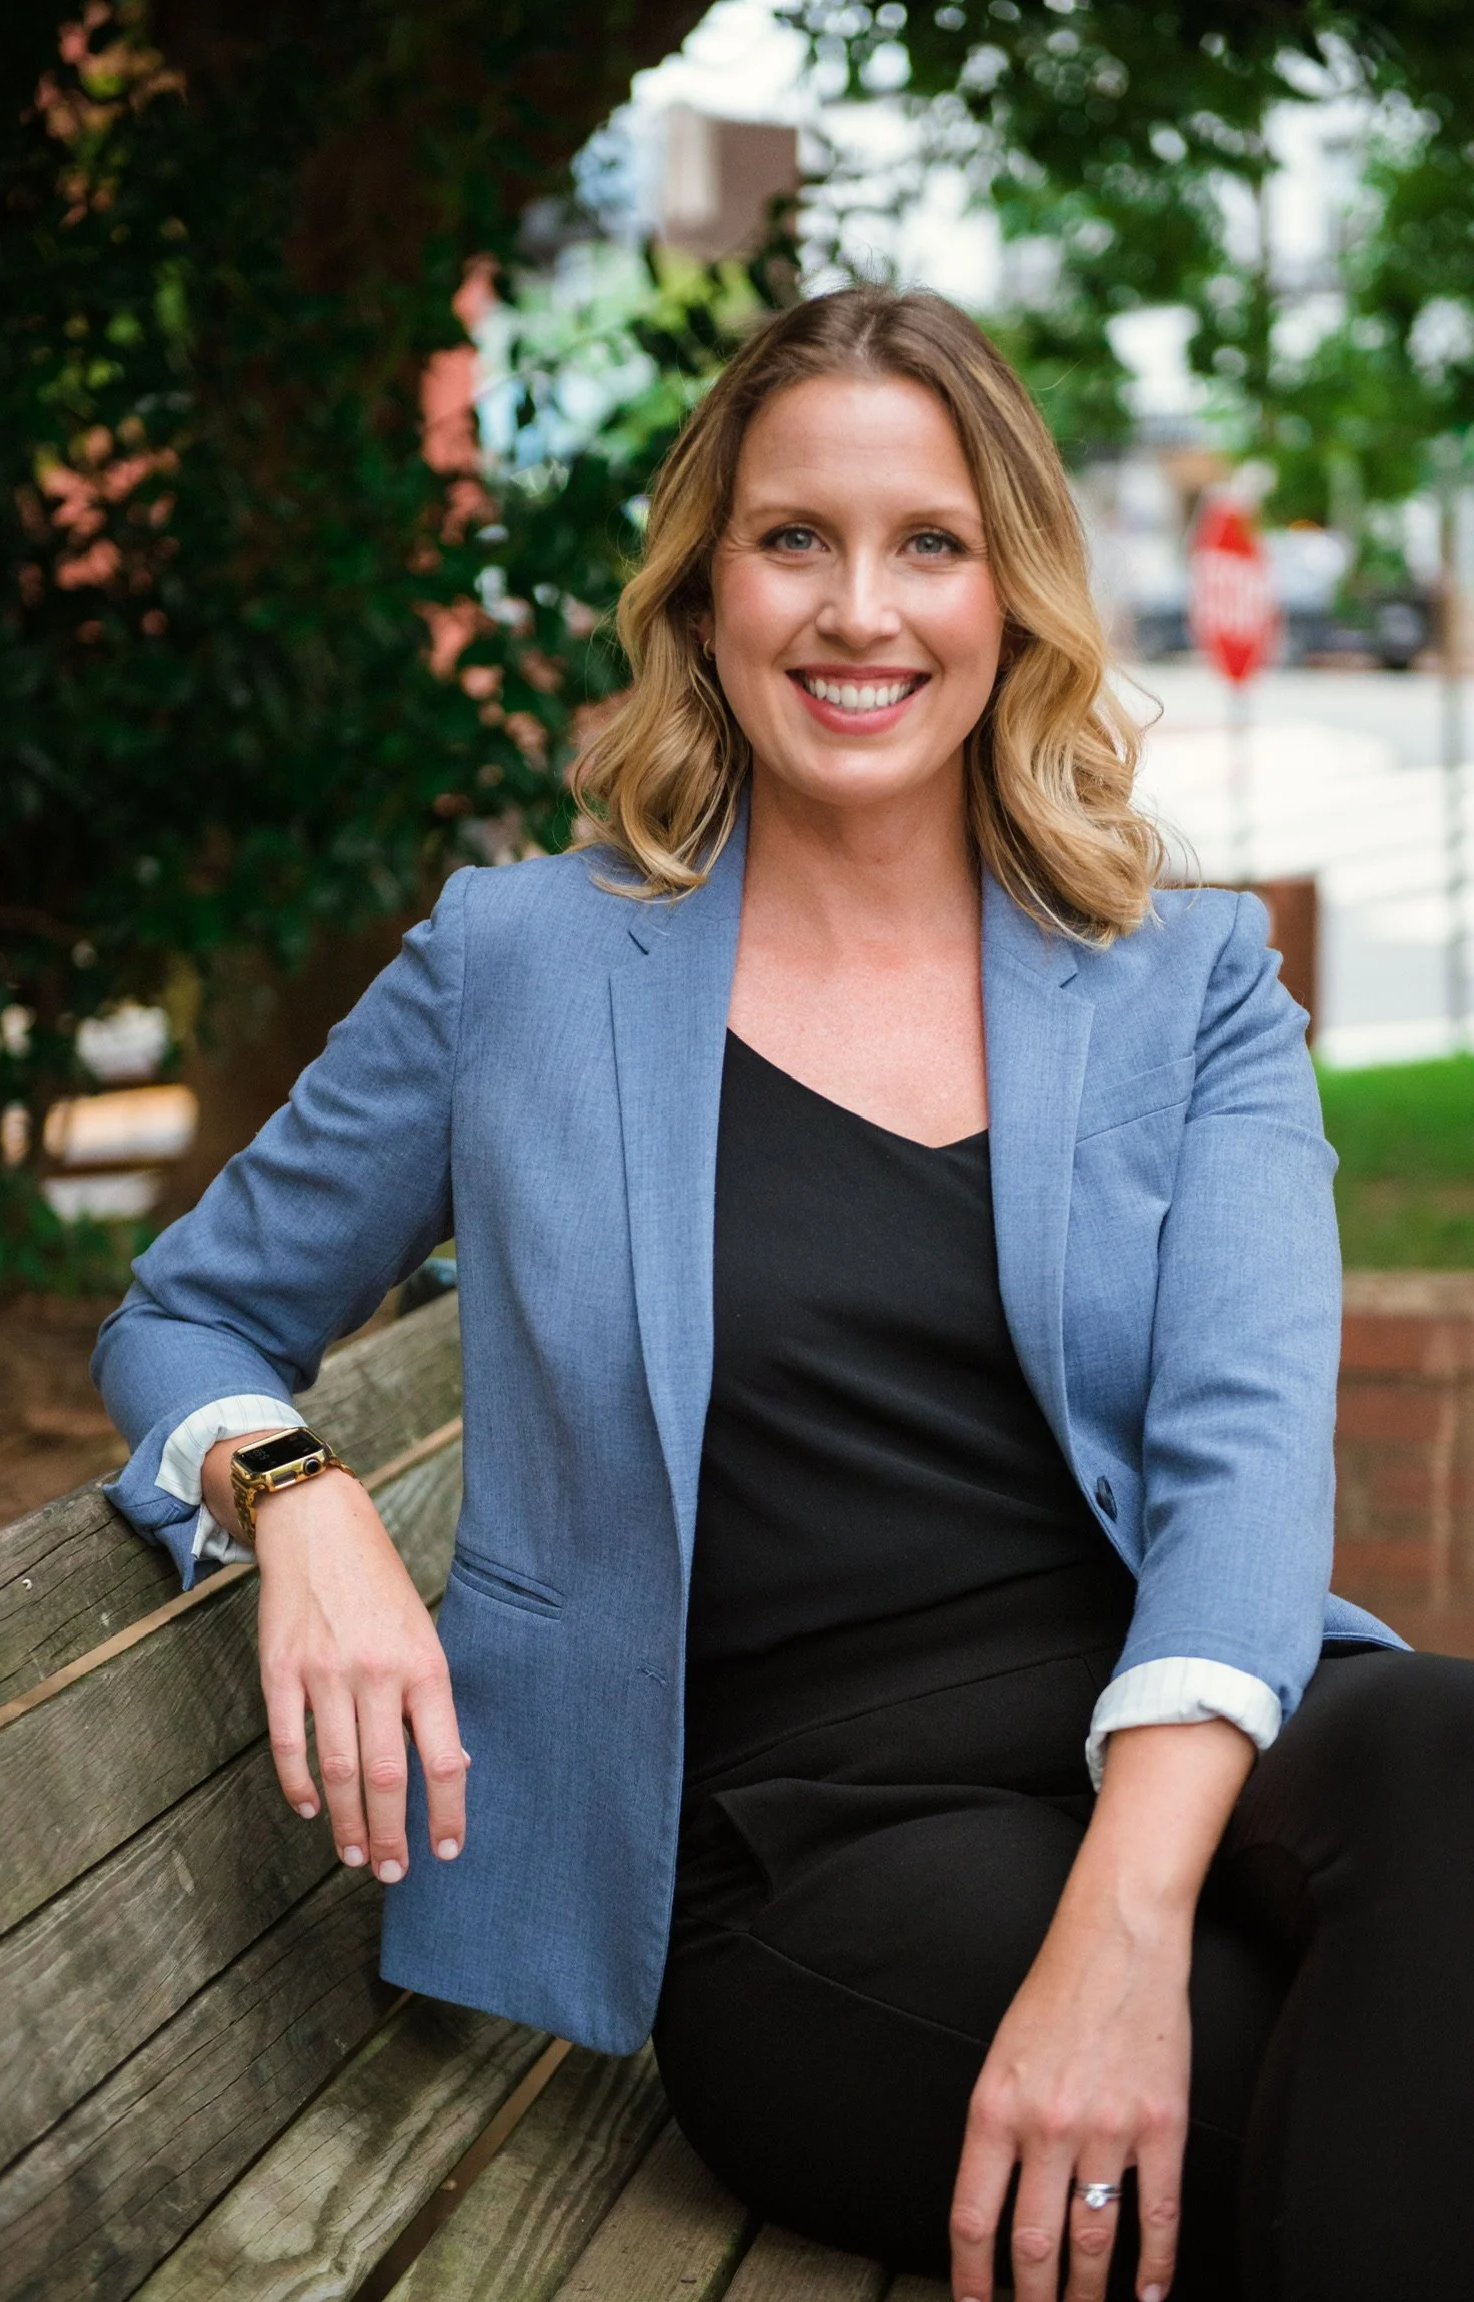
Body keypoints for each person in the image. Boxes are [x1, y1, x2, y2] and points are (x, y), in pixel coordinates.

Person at [93, 287, 1474, 2302]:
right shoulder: (521, 964)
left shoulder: (1190, 981)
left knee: (1450, 1757)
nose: (859, 610)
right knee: (1368, 2085)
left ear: (1013, 594)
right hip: (817, 1844)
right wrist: (295, 1491)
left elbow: (1246, 1463)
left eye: (931, 542)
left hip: (1173, 1729)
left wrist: (1123, 1915)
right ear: (705, 586)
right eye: (795, 537)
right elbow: (186, 1313)